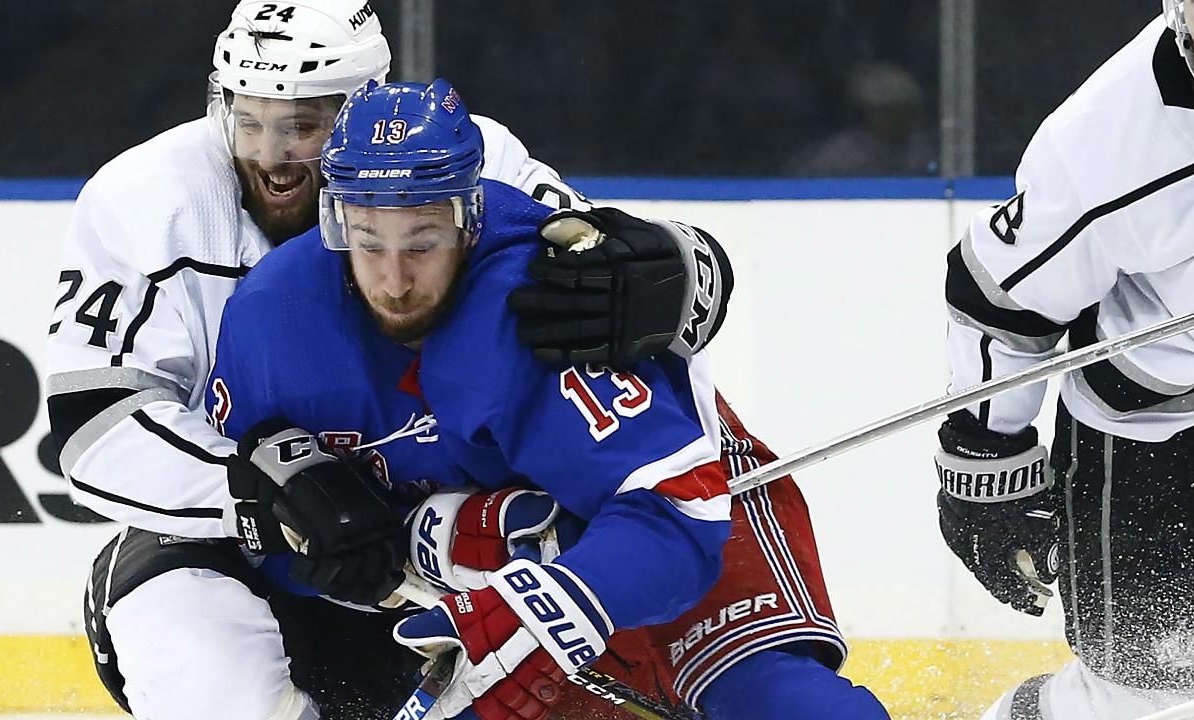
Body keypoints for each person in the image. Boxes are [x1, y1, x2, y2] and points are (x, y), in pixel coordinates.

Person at [46, 1, 735, 717]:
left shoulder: (469, 156)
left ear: (363, 105)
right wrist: (264, 489)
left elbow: (608, 285)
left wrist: (682, 269)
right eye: (248, 120)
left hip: (431, 527)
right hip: (235, 536)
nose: (271, 155)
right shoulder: (148, 197)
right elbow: (95, 424)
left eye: (303, 126)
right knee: (220, 694)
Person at [203, 78, 889, 720]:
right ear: (335, 218)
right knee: (455, 533)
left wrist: (547, 606)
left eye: (424, 241)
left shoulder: (540, 303)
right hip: (493, 561)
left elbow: (679, 514)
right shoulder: (273, 320)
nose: (395, 279)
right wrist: (317, 550)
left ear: (469, 218)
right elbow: (252, 511)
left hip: (683, 501)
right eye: (369, 241)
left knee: (782, 703)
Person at [937, 3, 1194, 717]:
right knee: (1144, 698)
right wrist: (985, 462)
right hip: (1158, 441)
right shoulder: (1108, 145)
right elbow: (999, 304)